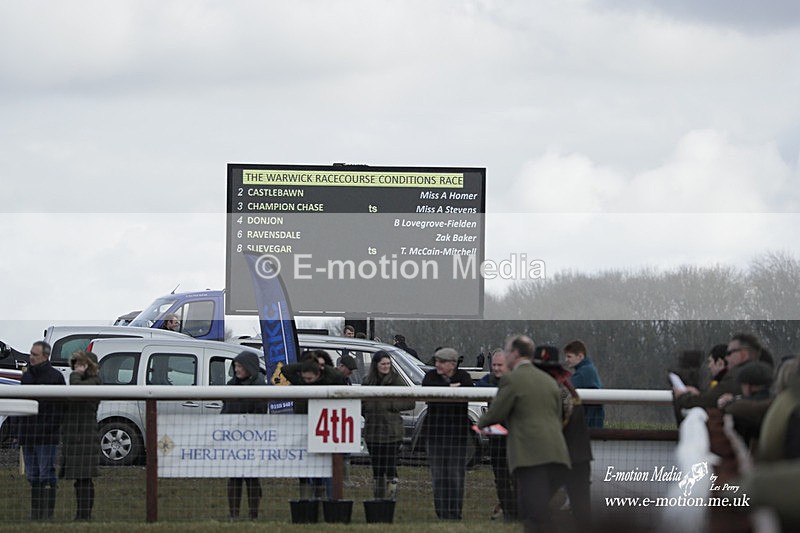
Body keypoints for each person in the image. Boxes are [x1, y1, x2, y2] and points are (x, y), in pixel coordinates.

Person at [478, 335, 571, 532]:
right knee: (539, 510)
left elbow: (495, 414)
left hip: (530, 456)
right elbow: (558, 414)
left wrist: (481, 423)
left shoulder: (512, 380)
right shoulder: (548, 381)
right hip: (558, 454)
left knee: (531, 513)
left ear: (515, 354)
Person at [533, 345, 593, 529]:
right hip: (579, 456)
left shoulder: (553, 390)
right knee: (582, 512)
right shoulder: (567, 385)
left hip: (560, 457)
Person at [422, 347, 473, 520]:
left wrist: (445, 389)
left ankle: (455, 513)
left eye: (442, 362)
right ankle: (442, 514)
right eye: (436, 361)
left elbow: (467, 391)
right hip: (434, 435)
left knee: (455, 476)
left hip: (457, 437)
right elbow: (427, 391)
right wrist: (450, 387)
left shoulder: (463, 377)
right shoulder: (430, 376)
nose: (437, 365)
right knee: (438, 477)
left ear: (453, 364)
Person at [17, 341, 66, 520]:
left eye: (35, 355)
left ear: (45, 356)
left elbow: (60, 409)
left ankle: (47, 514)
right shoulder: (27, 377)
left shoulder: (55, 377)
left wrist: (48, 428)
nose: (31, 357)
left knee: (46, 473)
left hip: (46, 436)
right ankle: (36, 514)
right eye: (30, 354)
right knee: (33, 475)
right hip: (28, 435)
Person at [361, 351, 415, 500]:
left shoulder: (397, 380)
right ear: (376, 365)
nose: (386, 366)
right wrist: (367, 408)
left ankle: (391, 496)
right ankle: (378, 498)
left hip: (392, 432)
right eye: (383, 364)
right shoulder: (367, 381)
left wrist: (392, 404)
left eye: (388, 364)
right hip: (372, 431)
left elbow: (410, 402)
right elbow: (361, 402)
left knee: (390, 466)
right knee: (377, 468)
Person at [221, 351, 267, 520]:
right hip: (233, 441)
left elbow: (261, 415)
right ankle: (234, 515)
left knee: (252, 479)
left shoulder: (260, 388)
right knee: (234, 479)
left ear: (249, 367)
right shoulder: (230, 386)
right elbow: (225, 411)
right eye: (235, 366)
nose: (237, 369)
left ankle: (253, 515)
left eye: (240, 366)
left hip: (253, 441)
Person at [474, 347, 516, 521]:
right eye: (494, 365)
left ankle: (518, 512)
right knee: (500, 478)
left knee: (518, 478)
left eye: (501, 365)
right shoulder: (489, 380)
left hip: (516, 439)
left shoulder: (516, 381)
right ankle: (508, 512)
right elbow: (479, 386)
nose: (497, 368)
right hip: (497, 439)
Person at [60, 351, 101, 521]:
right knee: (80, 481)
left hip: (85, 438)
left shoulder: (94, 382)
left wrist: (76, 374)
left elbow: (76, 387)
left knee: (84, 480)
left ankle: (84, 515)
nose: (76, 368)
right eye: (75, 365)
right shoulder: (85, 382)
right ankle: (81, 515)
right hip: (76, 438)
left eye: (80, 365)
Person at [675, 333, 766, 410]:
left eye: (730, 353)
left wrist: (682, 397)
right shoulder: (761, 376)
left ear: (743, 355)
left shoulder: (736, 377)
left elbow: (706, 401)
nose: (726, 357)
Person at [563, 340, 605, 428]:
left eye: (569, 356)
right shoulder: (590, 370)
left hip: (588, 426)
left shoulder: (583, 373)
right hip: (594, 424)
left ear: (580, 356)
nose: (566, 360)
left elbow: (565, 390)